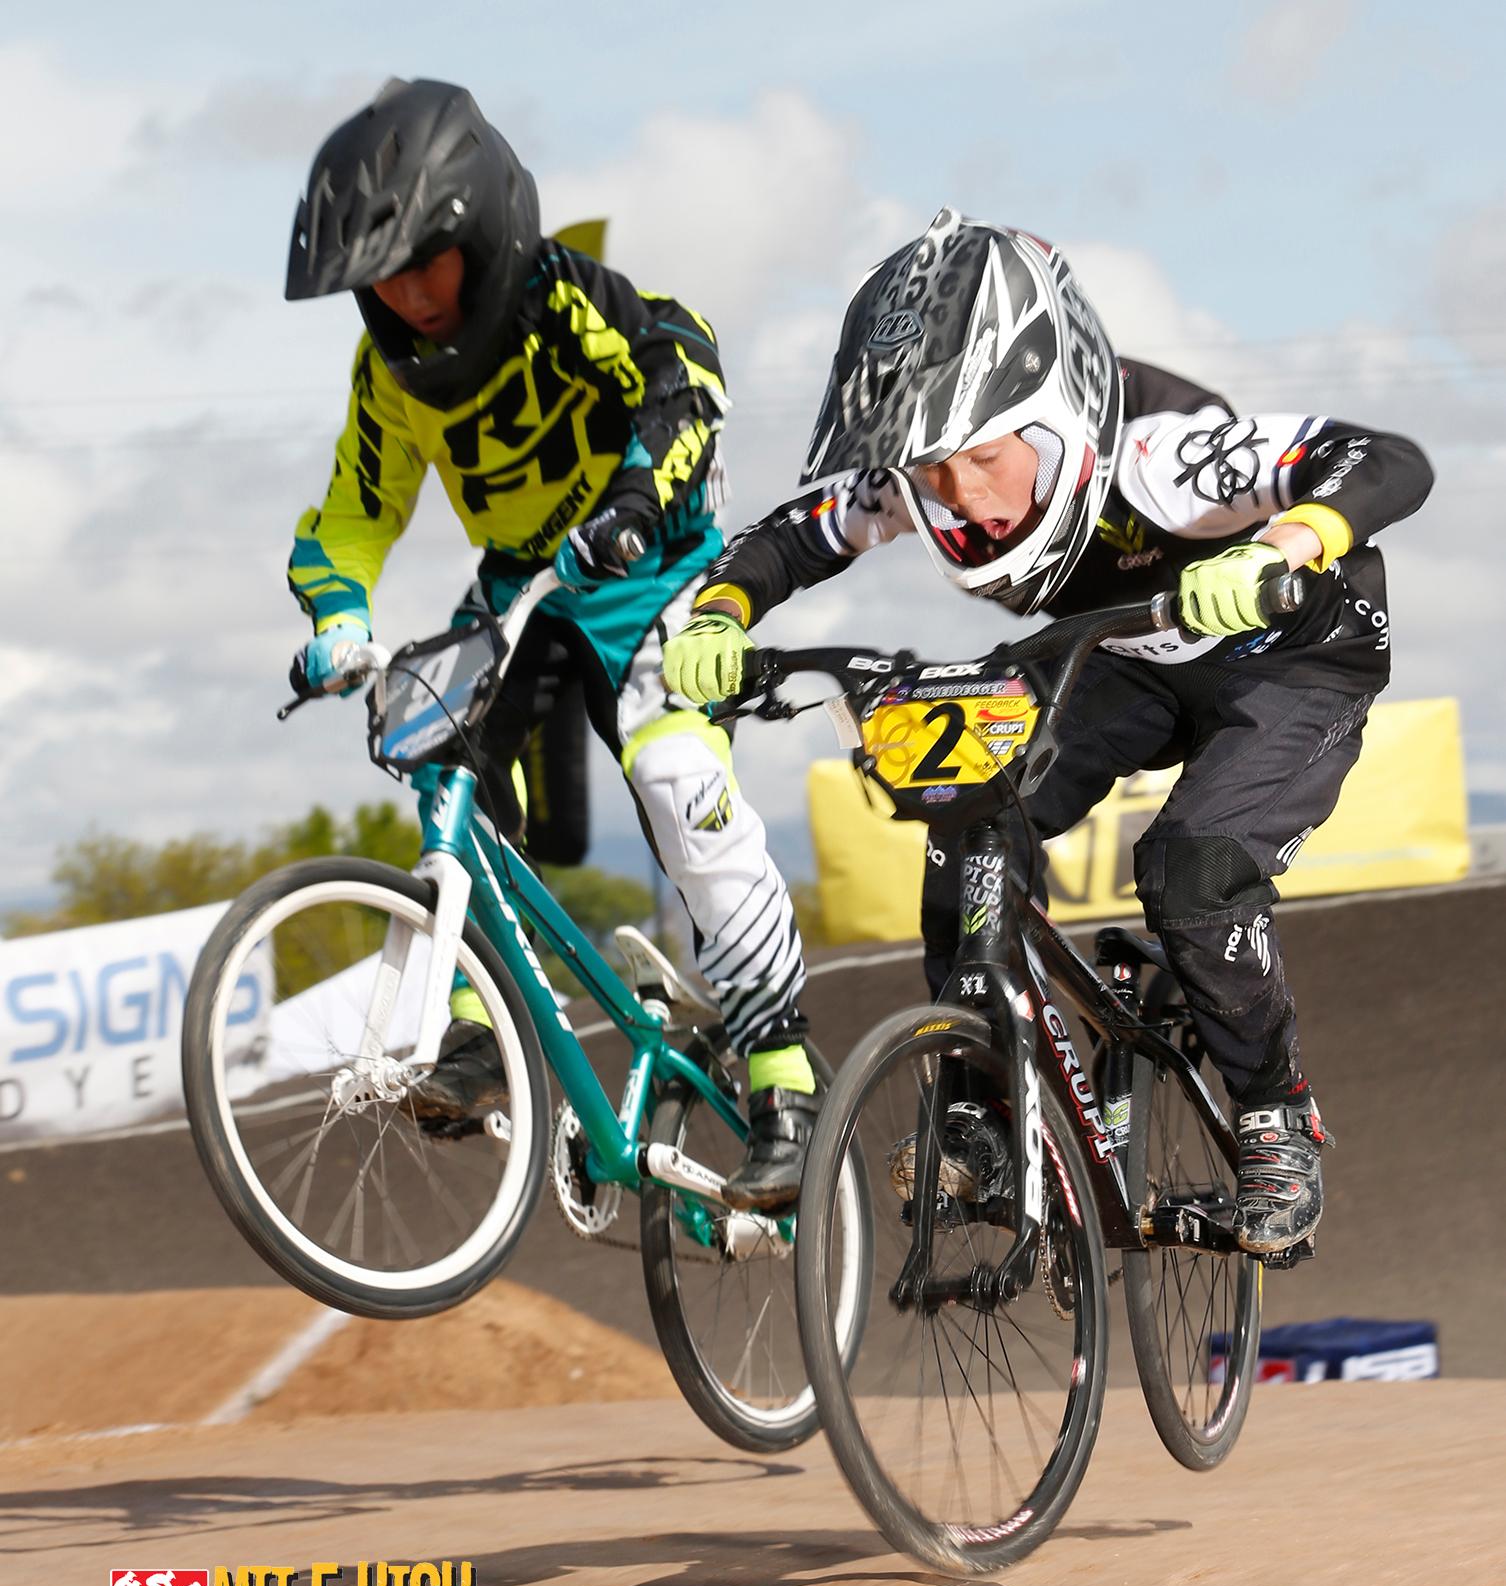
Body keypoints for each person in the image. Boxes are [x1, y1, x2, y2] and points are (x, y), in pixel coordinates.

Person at [664, 207, 1433, 1254]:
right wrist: (720, 614)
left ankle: (1276, 1117)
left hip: (1289, 654)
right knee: (967, 816)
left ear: (1053, 410)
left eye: (980, 458)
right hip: (1127, 655)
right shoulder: (928, 472)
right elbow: (796, 536)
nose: (962, 496)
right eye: (933, 474)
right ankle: (981, 1115)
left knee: (1193, 869)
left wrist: (1283, 544)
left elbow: (1382, 456)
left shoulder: (1163, 455)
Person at [282, 78, 816, 1210]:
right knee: (448, 766)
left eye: (426, 264)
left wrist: (637, 496)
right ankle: (481, 1033)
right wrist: (338, 616)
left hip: (655, 572)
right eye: (382, 277)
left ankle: (785, 1077)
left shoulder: (562, 298)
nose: (407, 296)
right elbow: (355, 510)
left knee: (677, 779)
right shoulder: (386, 377)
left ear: (483, 234)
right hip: (525, 585)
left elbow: (686, 366)